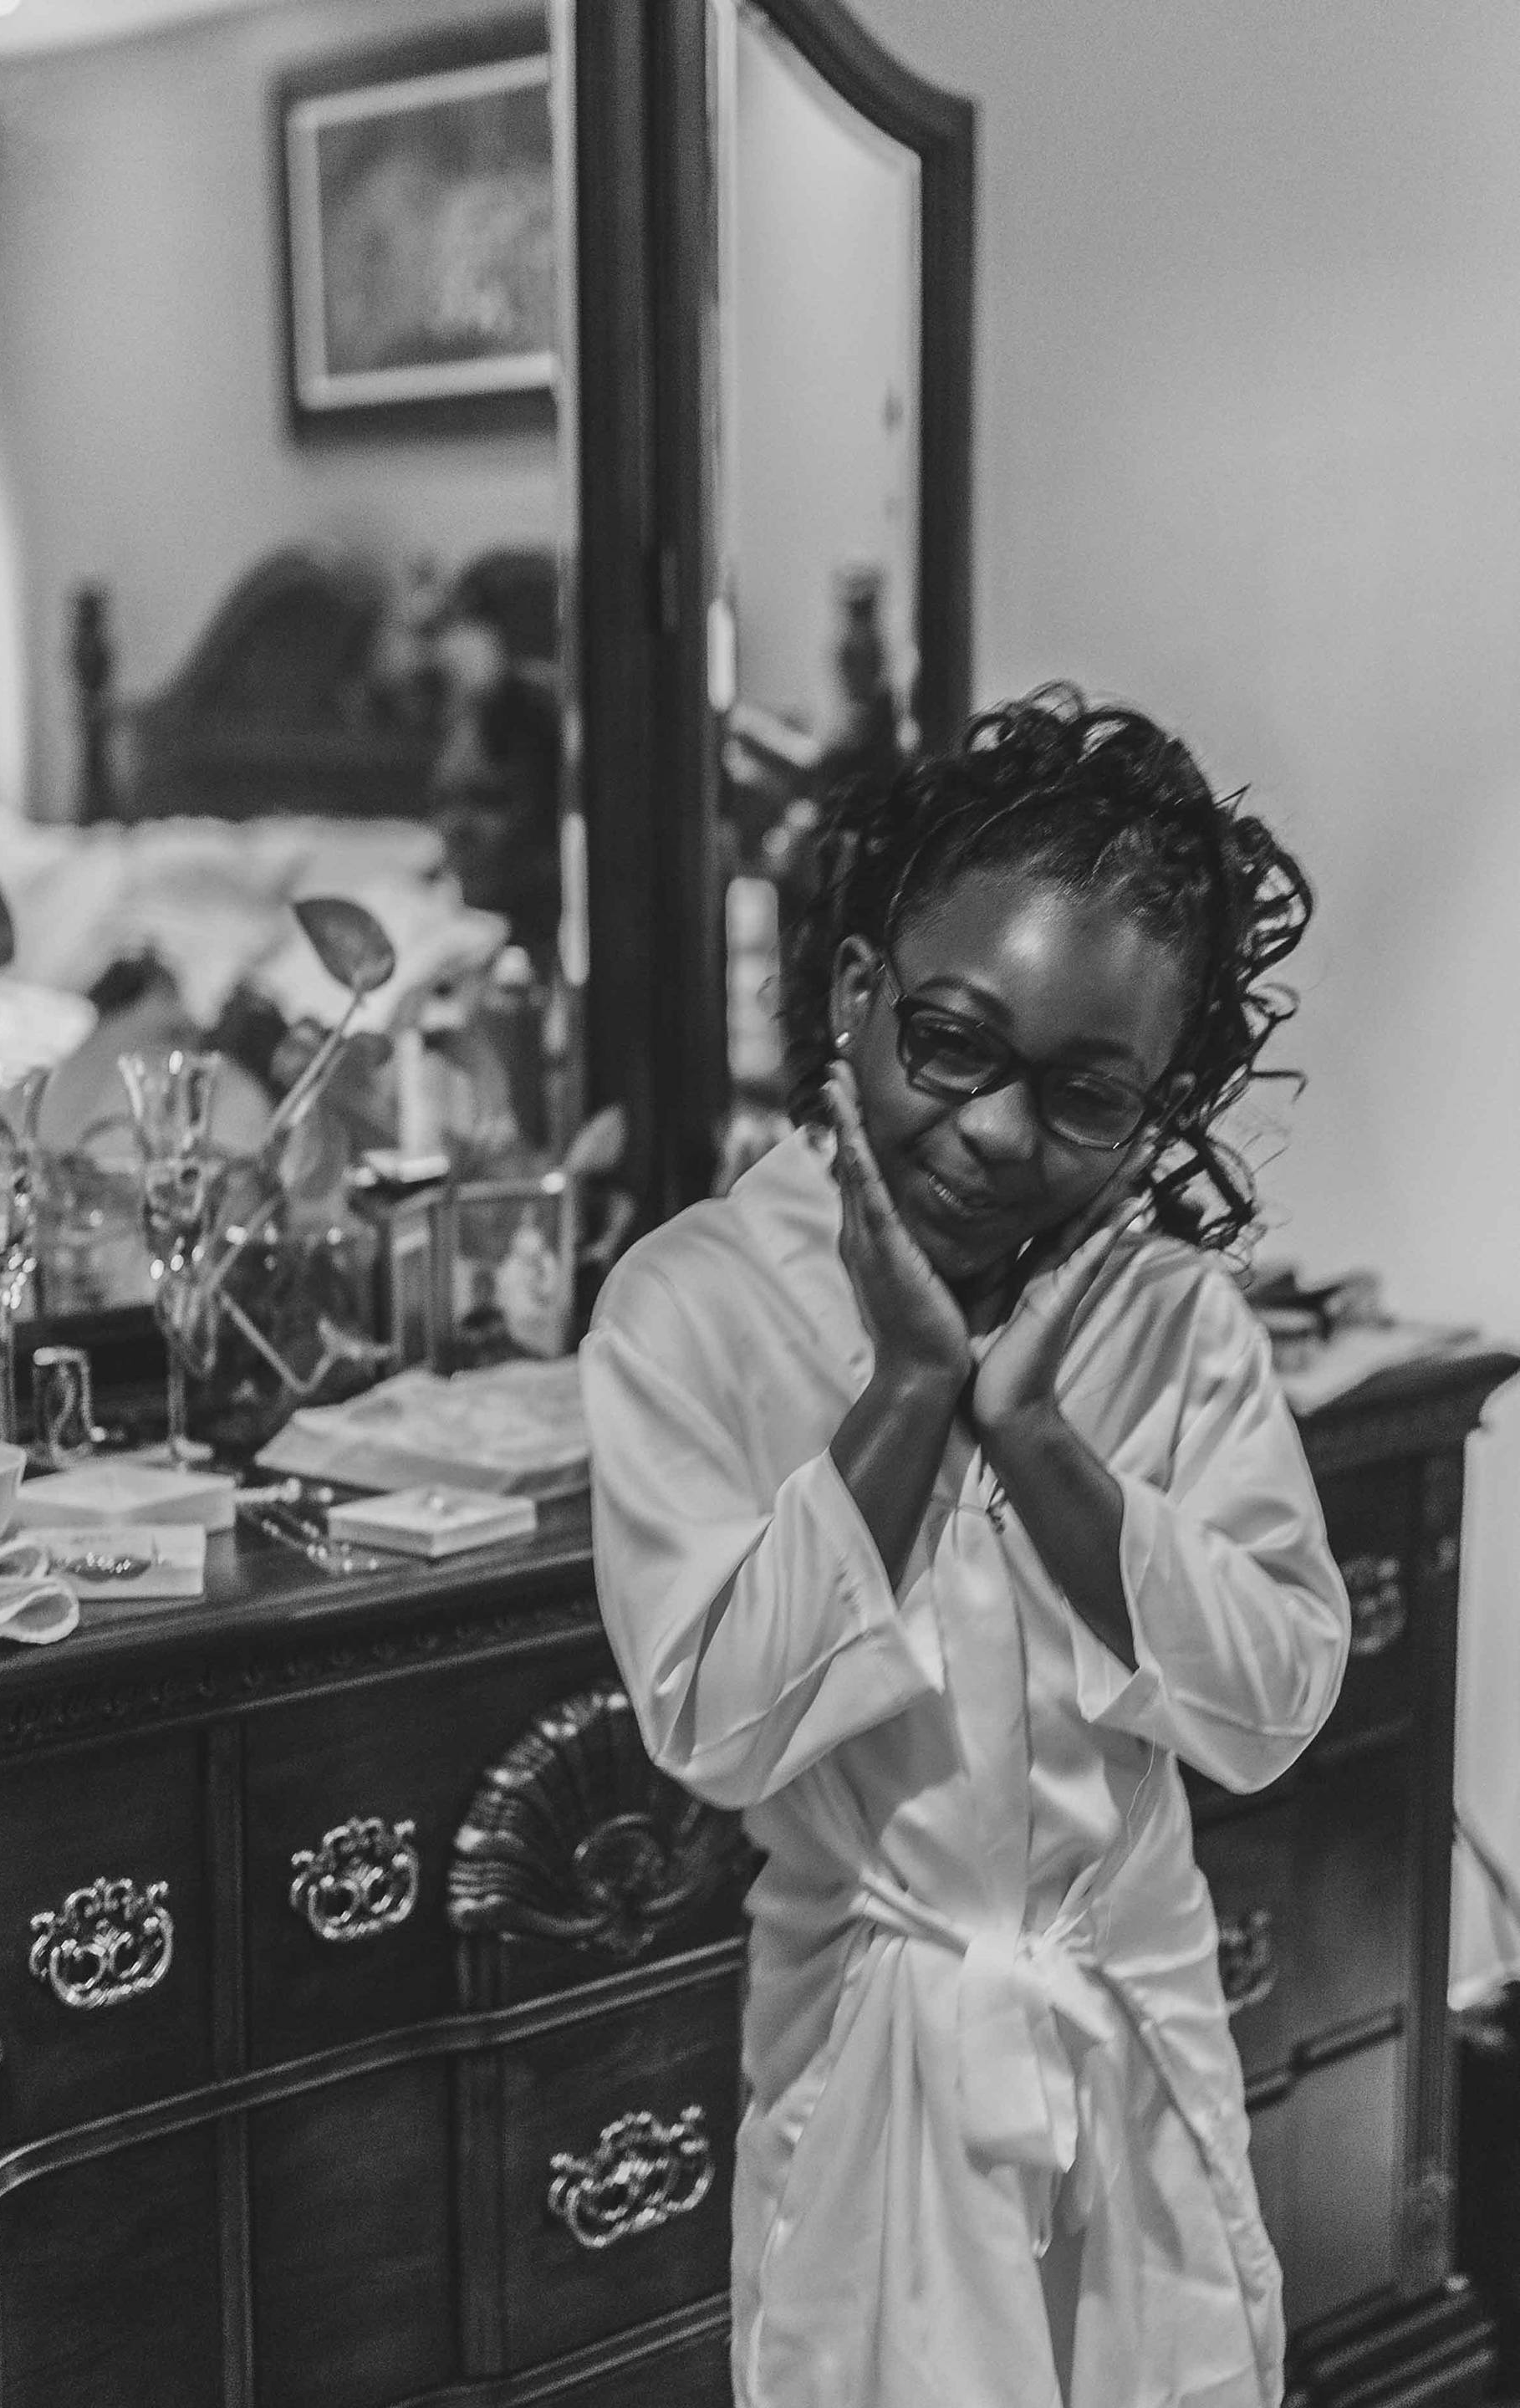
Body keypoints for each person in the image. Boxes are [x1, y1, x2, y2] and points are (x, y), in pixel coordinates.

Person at [579, 684, 1351, 2408]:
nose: (998, 1133)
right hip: (876, 2066)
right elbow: (715, 1725)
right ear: (859, 994)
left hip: (1134, 2031)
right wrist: (913, 1394)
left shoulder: (1175, 1324)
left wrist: (1040, 1440)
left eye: (1085, 1096)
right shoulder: (693, 1308)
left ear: (1154, 1106)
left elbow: (1273, 1705)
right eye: (951, 1044)